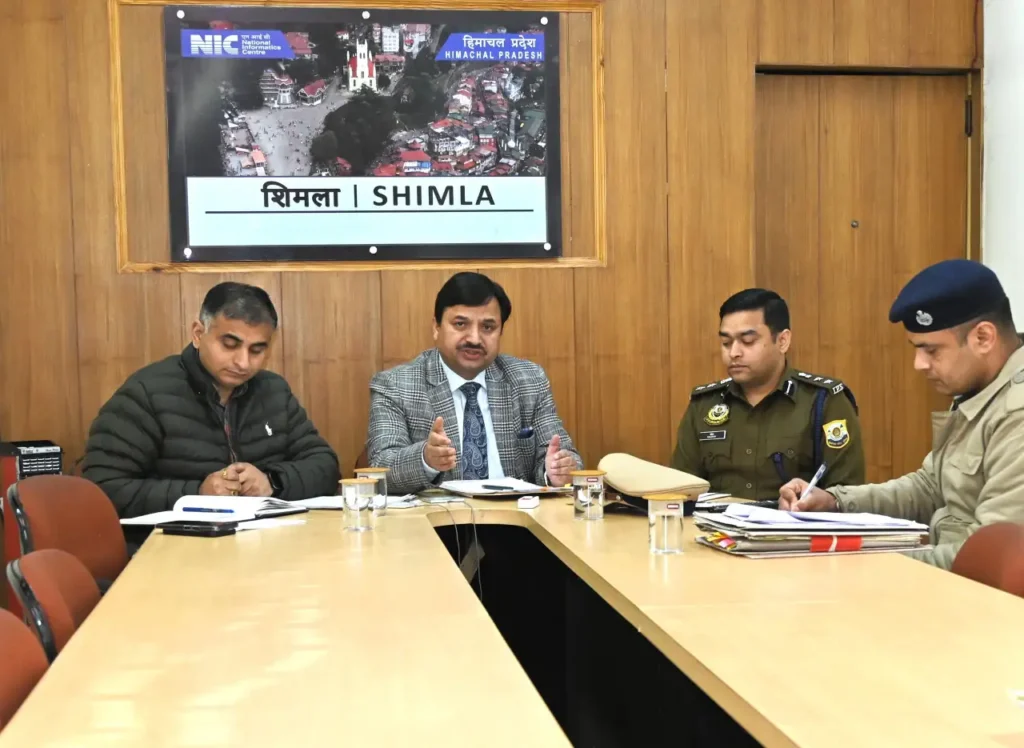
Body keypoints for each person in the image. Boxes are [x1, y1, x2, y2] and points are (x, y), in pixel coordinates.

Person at [779, 260, 1024, 569]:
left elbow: (990, 559)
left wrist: (855, 561)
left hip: (976, 591)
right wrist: (835, 501)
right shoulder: (980, 388)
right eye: (916, 348)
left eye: (932, 350)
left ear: (984, 338)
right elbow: (930, 487)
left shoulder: (1016, 411)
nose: (919, 364)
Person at [83, 282, 339, 518]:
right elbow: (102, 489)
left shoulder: (273, 392)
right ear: (198, 333)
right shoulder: (146, 393)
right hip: (176, 545)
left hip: (264, 541)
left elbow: (325, 466)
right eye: (230, 345)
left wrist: (272, 482)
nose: (243, 362)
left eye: (256, 350)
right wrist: (196, 494)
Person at [367, 272, 582, 494]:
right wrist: (426, 459)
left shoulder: (529, 380)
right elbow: (380, 469)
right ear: (436, 327)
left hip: (515, 513)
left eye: (488, 327)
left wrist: (555, 471)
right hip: (438, 515)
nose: (474, 339)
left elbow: (563, 454)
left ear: (500, 331)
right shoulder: (395, 385)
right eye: (460, 324)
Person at [672, 289, 865, 499]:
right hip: (714, 521)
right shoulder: (704, 405)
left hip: (792, 520)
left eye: (748, 341)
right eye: (726, 343)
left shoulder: (823, 402)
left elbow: (846, 496)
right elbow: (681, 490)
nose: (734, 353)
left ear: (782, 341)